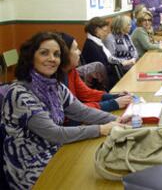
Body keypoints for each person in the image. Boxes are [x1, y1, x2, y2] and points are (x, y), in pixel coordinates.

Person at [0, 32, 125, 189]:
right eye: (44, 53)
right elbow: (55, 134)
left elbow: (83, 112)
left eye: (57, 54)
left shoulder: (55, 86)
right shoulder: (20, 94)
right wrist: (101, 129)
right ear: (31, 57)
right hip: (29, 167)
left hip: (54, 151)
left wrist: (115, 120)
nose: (52, 59)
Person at [60, 32, 132, 112]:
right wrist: (113, 103)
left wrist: (115, 96)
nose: (79, 52)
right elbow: (73, 110)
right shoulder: (56, 80)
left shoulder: (71, 71)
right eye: (76, 49)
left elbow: (87, 93)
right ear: (65, 54)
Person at [82, 17, 131, 87]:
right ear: (97, 31)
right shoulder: (92, 47)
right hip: (104, 82)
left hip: (108, 77)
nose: (107, 34)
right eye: (105, 31)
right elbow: (103, 69)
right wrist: (121, 64)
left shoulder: (96, 43)